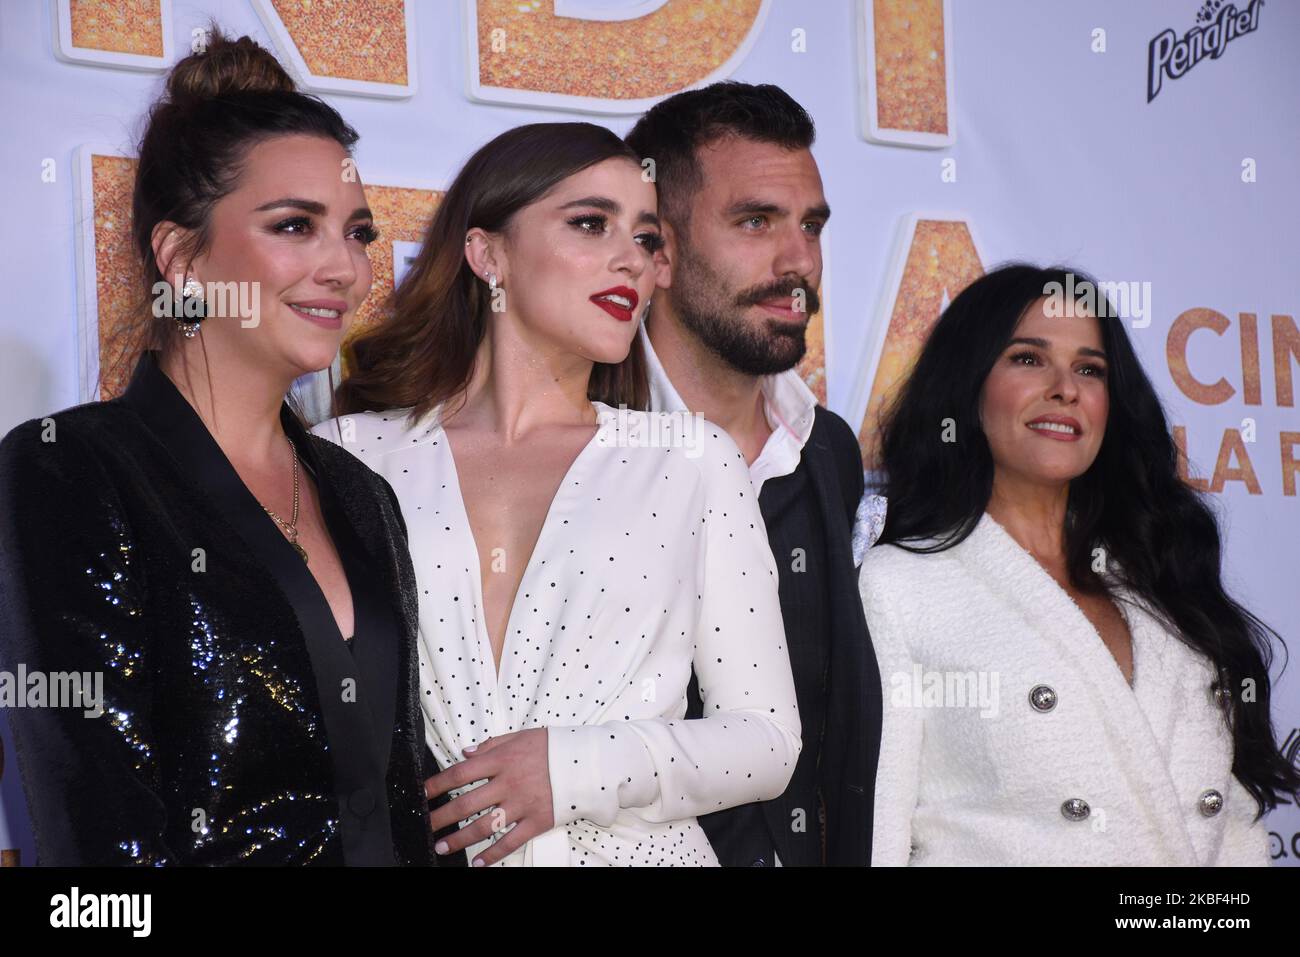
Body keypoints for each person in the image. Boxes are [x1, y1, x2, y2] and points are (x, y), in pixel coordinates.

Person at [0, 30, 443, 866]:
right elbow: (96, 829)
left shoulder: (358, 492)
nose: (344, 268)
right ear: (181, 257)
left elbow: (399, 788)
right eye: (294, 226)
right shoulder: (72, 468)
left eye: (356, 232)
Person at [313, 121, 802, 867]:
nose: (630, 261)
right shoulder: (351, 455)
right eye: (589, 223)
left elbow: (768, 741)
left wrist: (573, 769)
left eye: (645, 239)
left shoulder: (691, 459)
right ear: (487, 253)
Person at [860, 263, 1297, 866]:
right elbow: (878, 831)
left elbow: (1238, 828)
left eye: (1090, 369)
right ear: (967, 387)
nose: (1065, 387)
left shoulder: (1163, 578)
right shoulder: (900, 585)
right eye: (1028, 359)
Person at [623, 82, 880, 866]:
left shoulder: (827, 450)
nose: (799, 260)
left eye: (811, 225)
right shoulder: (578, 438)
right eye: (755, 221)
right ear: (656, 249)